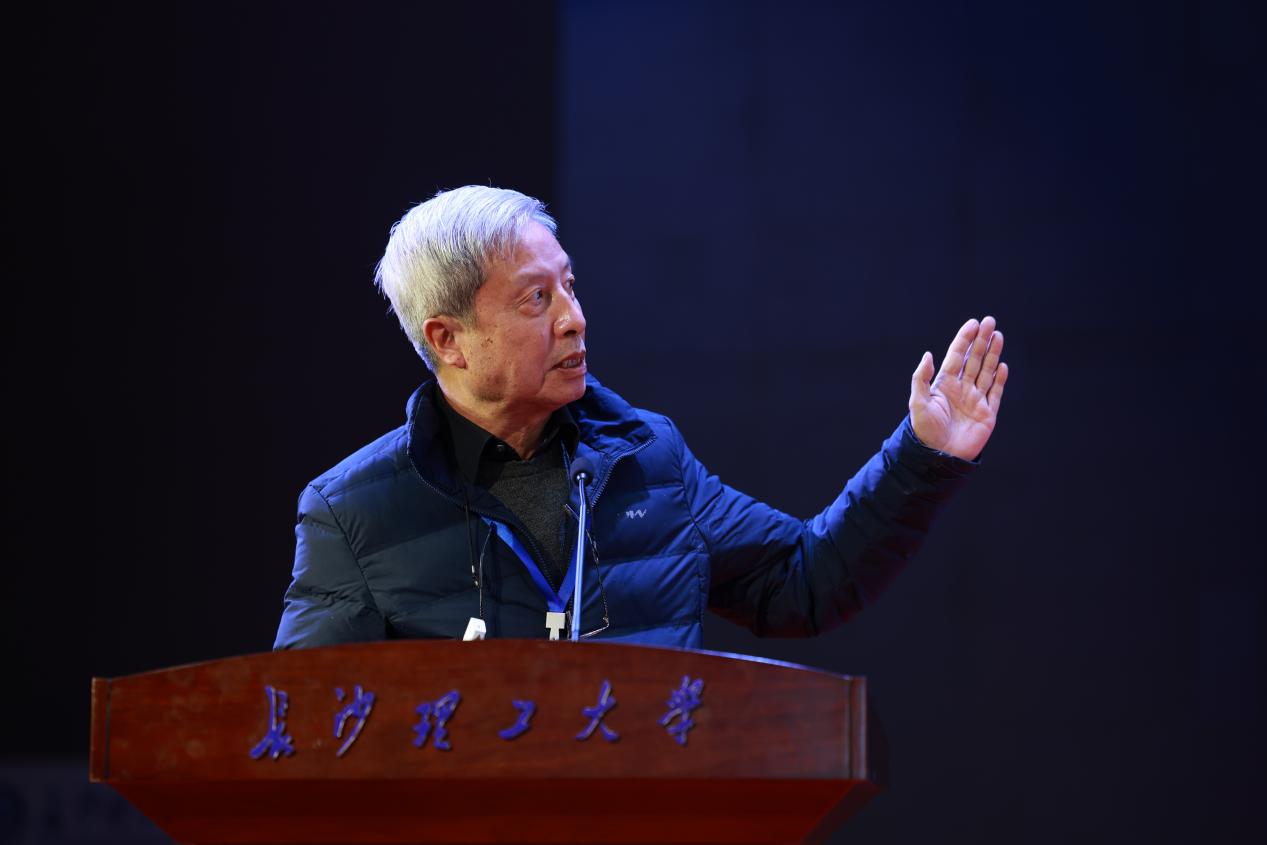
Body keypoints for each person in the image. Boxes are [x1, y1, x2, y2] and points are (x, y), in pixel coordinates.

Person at [273, 186, 1008, 649]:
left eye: (569, 286)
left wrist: (922, 454)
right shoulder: (353, 512)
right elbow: (303, 726)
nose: (574, 318)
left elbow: (802, 583)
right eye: (536, 299)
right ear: (447, 339)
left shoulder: (647, 457)